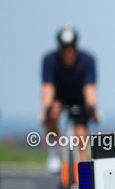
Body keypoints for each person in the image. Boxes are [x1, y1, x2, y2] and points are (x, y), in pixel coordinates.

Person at [41, 24, 99, 173]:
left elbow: (90, 88)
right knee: (51, 113)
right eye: (65, 48)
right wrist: (45, 110)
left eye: (71, 47)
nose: (68, 52)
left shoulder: (87, 60)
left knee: (81, 134)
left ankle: (84, 172)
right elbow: (48, 88)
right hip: (59, 97)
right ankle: (54, 151)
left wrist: (92, 109)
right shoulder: (50, 60)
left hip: (80, 98)